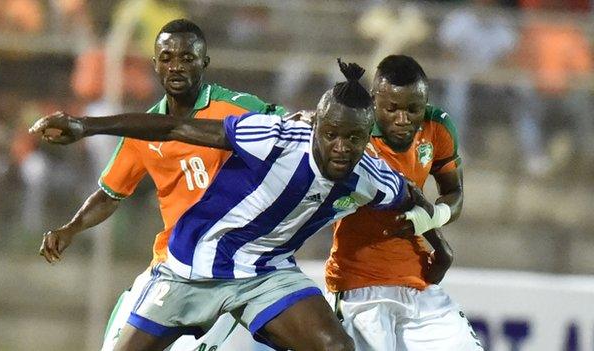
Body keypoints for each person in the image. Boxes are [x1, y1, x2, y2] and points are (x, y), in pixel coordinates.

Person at [30, 59, 450, 351]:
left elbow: (410, 197)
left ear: (367, 138)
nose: (341, 147)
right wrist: (85, 126)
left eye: (354, 139)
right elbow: (176, 125)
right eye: (332, 134)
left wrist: (442, 248)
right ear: (316, 124)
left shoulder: (370, 176)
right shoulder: (275, 138)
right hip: (191, 267)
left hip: (266, 275)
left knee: (335, 347)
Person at [38, 19, 285, 351]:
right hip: (169, 265)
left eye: (187, 57)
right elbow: (111, 194)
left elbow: (292, 129)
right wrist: (69, 228)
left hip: (227, 271)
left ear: (205, 63)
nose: (176, 66)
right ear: (154, 64)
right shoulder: (144, 129)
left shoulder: (235, 109)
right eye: (166, 57)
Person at [325, 55, 482, 350]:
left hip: (419, 281)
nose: (403, 119)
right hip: (360, 285)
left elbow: (454, 195)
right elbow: (400, 192)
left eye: (413, 109)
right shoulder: (354, 135)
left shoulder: (438, 126)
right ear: (373, 102)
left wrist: (431, 221)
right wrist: (441, 246)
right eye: (392, 108)